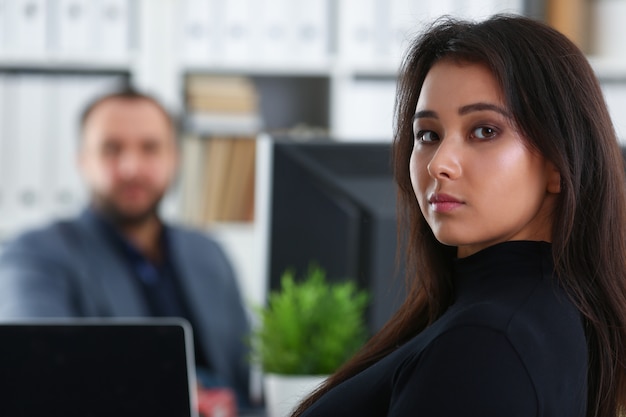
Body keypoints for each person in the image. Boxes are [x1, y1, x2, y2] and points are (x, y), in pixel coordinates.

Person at [291, 15, 626, 417]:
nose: (439, 165)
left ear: (558, 164)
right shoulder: (533, 317)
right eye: (428, 134)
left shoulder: (487, 342)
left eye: (484, 131)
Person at [0, 89, 251, 405]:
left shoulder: (208, 252)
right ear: (81, 160)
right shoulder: (32, 256)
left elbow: (245, 380)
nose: (131, 167)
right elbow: (40, 379)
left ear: (175, 158)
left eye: (150, 148)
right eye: (111, 148)